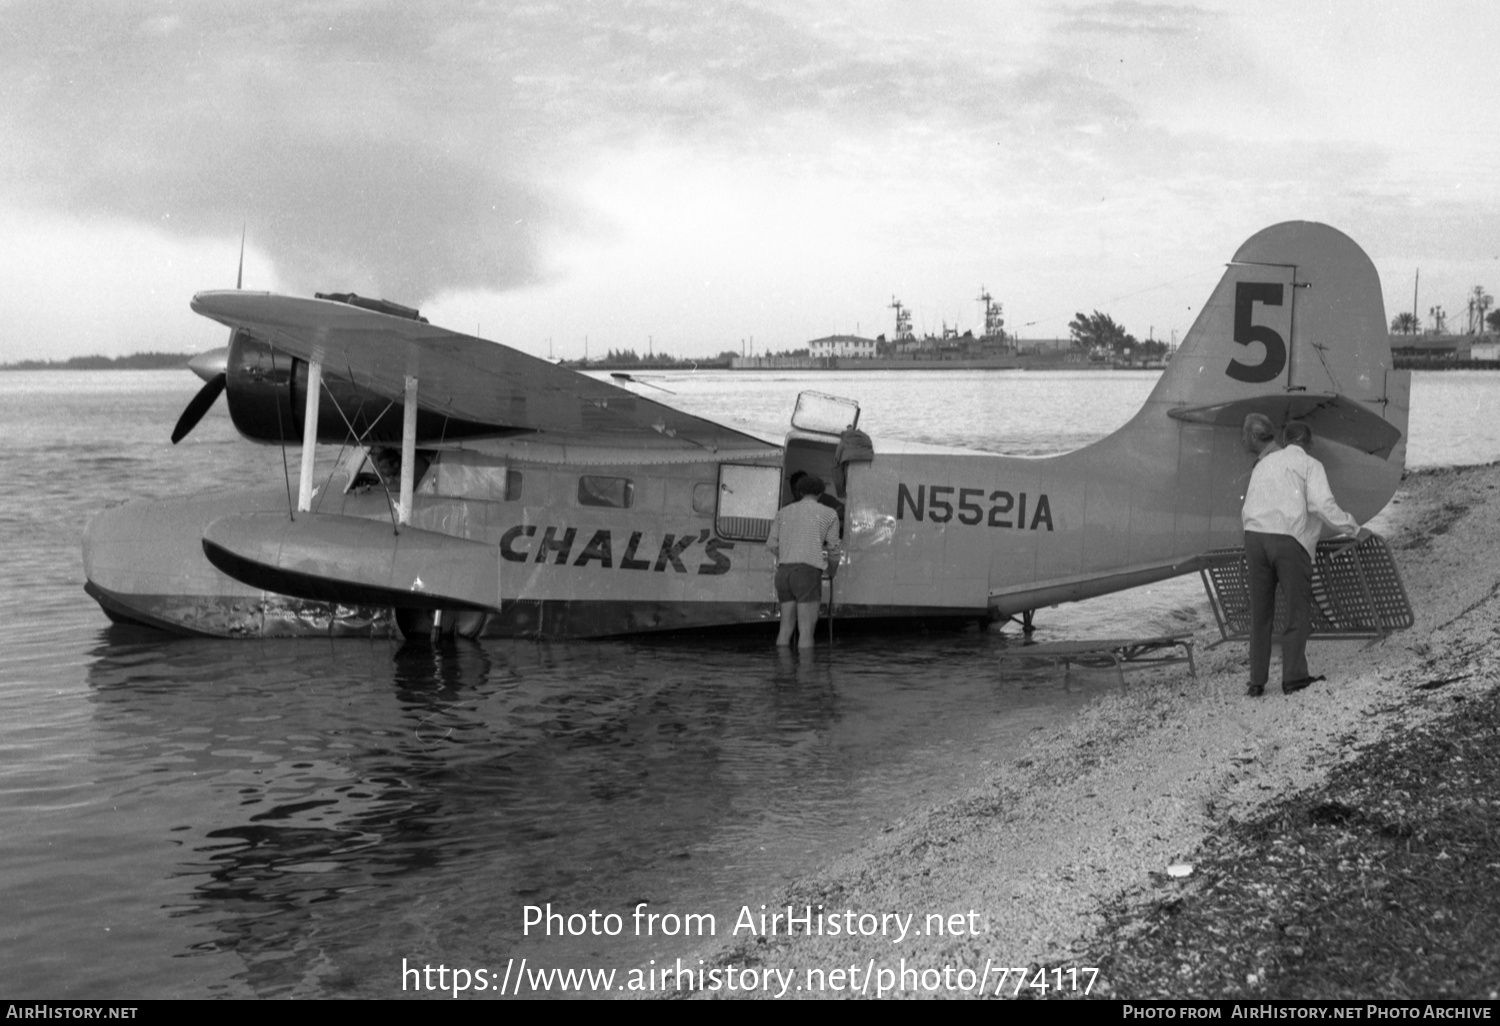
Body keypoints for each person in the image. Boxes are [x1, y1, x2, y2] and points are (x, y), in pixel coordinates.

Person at [1240, 416, 1366, 697]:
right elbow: (1322, 506)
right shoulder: (1311, 465)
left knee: (1261, 614)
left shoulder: (1264, 463)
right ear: (1308, 443)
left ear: (1285, 440)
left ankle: (1256, 682)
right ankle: (1294, 677)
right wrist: (1354, 529)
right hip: (1288, 541)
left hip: (1254, 537)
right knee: (1297, 611)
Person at [766, 472, 841, 650]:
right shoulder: (829, 514)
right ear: (820, 493)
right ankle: (806, 676)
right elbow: (834, 549)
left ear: (799, 492)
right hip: (807, 574)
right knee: (806, 633)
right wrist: (832, 570)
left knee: (784, 630)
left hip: (783, 574)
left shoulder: (783, 512)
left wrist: (787, 555)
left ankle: (783, 673)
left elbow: (771, 543)